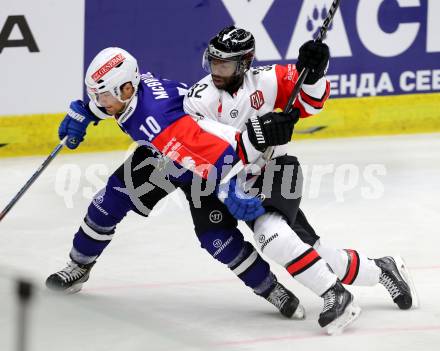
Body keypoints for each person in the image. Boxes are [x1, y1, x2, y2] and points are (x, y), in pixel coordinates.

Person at [46, 47, 307, 322]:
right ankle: (78, 267)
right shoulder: (131, 92)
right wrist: (85, 112)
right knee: (105, 204)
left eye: (102, 96)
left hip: (203, 166)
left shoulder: (156, 117)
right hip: (162, 157)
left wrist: (230, 183)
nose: (100, 101)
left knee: (216, 238)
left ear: (125, 89)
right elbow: (112, 107)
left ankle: (271, 289)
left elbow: (205, 149)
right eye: (95, 96)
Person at [182, 25, 417, 324]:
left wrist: (314, 75)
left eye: (225, 64)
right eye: (214, 62)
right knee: (314, 252)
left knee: (270, 235)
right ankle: (383, 269)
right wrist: (256, 139)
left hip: (277, 170)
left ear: (245, 62)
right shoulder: (197, 100)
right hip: (228, 181)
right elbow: (200, 151)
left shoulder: (267, 79)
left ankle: (335, 294)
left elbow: (311, 103)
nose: (217, 69)